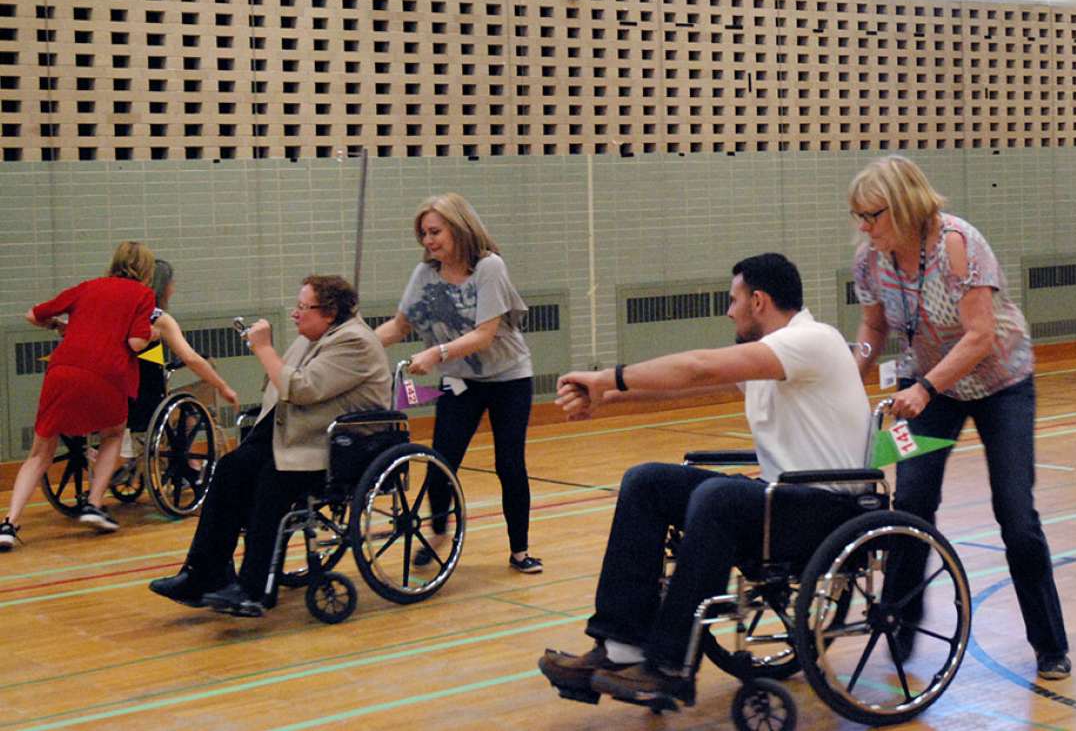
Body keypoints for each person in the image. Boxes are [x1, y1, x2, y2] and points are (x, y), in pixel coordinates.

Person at [538, 253, 872, 710]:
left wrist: (605, 376)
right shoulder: (769, 358)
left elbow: (700, 366)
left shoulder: (812, 339)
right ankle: (622, 647)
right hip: (781, 500)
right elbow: (687, 385)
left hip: (826, 506)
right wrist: (606, 398)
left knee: (720, 497)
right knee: (647, 482)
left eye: (733, 301)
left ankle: (671, 666)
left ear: (758, 301)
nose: (728, 311)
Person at [848, 155, 1071, 681]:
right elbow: (872, 330)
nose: (863, 226)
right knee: (911, 501)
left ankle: (1049, 643)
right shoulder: (870, 259)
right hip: (921, 386)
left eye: (871, 215)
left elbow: (981, 335)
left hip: (1000, 385)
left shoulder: (958, 244)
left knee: (1016, 516)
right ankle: (900, 617)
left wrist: (927, 388)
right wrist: (848, 368)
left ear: (902, 207)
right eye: (858, 215)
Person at [148, 274, 389, 617]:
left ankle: (254, 589)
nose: (295, 314)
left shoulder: (355, 342)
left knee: (271, 483)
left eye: (304, 307)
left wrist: (263, 347)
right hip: (299, 433)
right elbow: (278, 383)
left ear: (330, 312)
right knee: (230, 470)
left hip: (339, 447)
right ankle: (203, 573)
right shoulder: (314, 336)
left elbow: (302, 388)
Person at [374, 192, 540, 574]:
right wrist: (357, 344)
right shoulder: (425, 275)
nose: (429, 241)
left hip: (508, 377)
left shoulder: (489, 268)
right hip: (462, 380)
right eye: (423, 235)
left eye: (435, 232)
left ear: (459, 228)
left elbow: (485, 334)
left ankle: (519, 549)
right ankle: (437, 533)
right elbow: (400, 326)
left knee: (509, 463)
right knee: (441, 459)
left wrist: (436, 354)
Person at [1, 242, 158, 549]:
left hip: (63, 370)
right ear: (146, 270)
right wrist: (156, 334)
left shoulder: (88, 287)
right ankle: (94, 504)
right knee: (112, 435)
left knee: (40, 453)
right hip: (107, 373)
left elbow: (32, 315)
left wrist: (59, 325)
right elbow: (137, 343)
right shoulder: (143, 295)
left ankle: (9, 523)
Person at [120, 259, 240, 470]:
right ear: (163, 286)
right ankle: (190, 464)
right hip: (146, 400)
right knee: (193, 403)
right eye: (172, 284)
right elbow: (191, 358)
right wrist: (223, 386)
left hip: (122, 394)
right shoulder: (157, 318)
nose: (173, 289)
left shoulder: (121, 312)